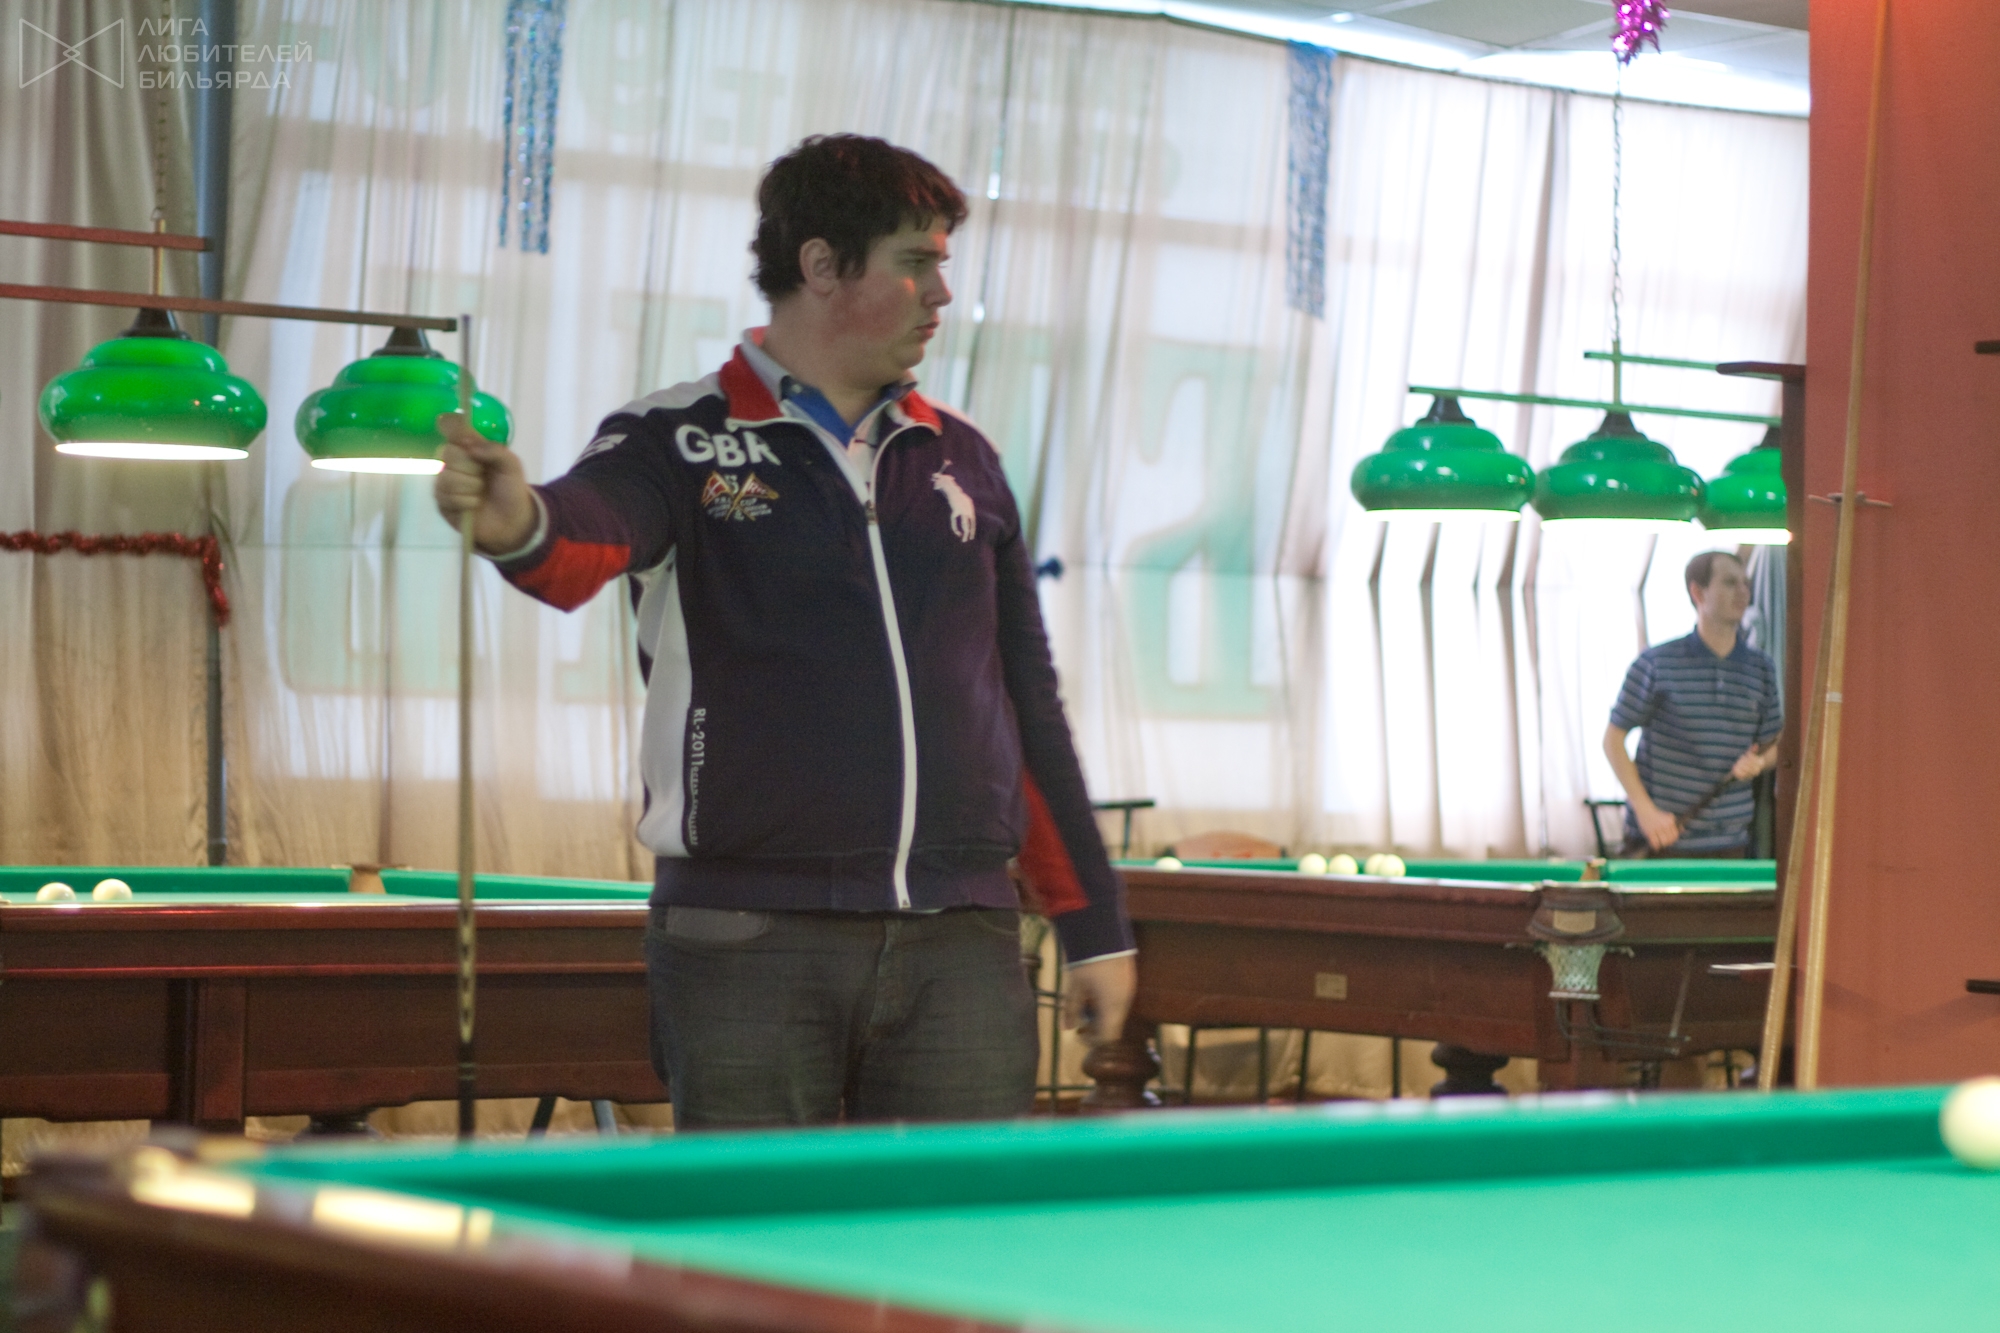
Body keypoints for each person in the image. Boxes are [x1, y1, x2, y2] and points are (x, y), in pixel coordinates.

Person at [433, 134, 1136, 1128]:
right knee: (749, 1232)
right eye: (915, 262)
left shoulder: (964, 457)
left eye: (943, 263)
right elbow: (582, 536)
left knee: (957, 1231)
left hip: (963, 942)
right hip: (744, 938)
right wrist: (517, 520)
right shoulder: (674, 435)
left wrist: (1094, 923)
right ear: (820, 264)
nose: (943, 293)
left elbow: (1028, 704)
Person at [1603, 550, 1782, 856]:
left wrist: (1760, 763)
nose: (1743, 592)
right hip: (1661, 841)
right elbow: (1613, 740)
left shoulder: (1761, 669)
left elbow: (1777, 743)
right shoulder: (1656, 663)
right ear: (1698, 593)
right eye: (1730, 583)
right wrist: (1645, 811)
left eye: (1746, 583)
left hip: (1732, 844)